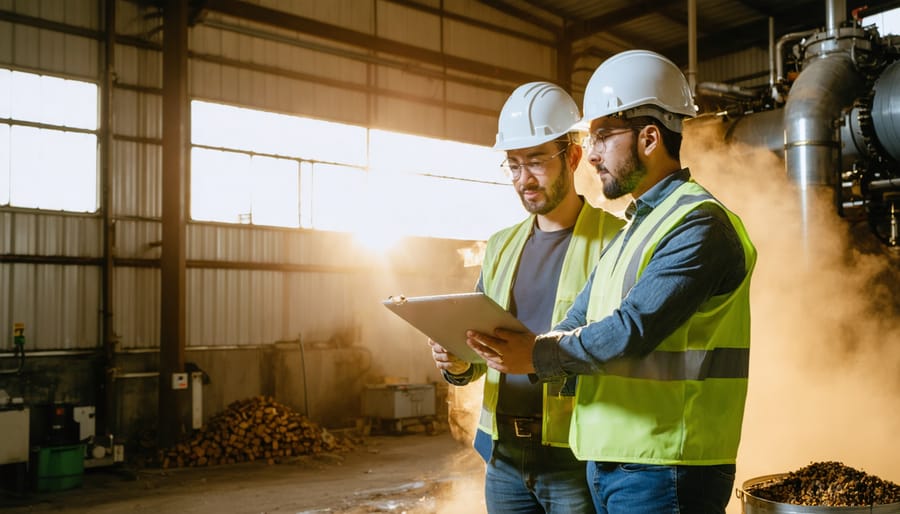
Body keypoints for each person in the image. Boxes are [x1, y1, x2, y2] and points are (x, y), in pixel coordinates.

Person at [466, 50, 758, 514]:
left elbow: (632, 329)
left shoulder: (699, 224)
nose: (594, 154)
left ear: (648, 137)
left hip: (667, 463)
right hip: (611, 460)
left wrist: (536, 354)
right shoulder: (638, 226)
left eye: (602, 136)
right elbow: (581, 316)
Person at [429, 81, 624, 514]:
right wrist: (459, 363)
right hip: (503, 460)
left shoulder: (617, 241)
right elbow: (481, 354)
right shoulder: (500, 246)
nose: (523, 180)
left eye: (535, 162)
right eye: (513, 165)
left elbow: (622, 345)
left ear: (573, 157)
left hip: (576, 457)